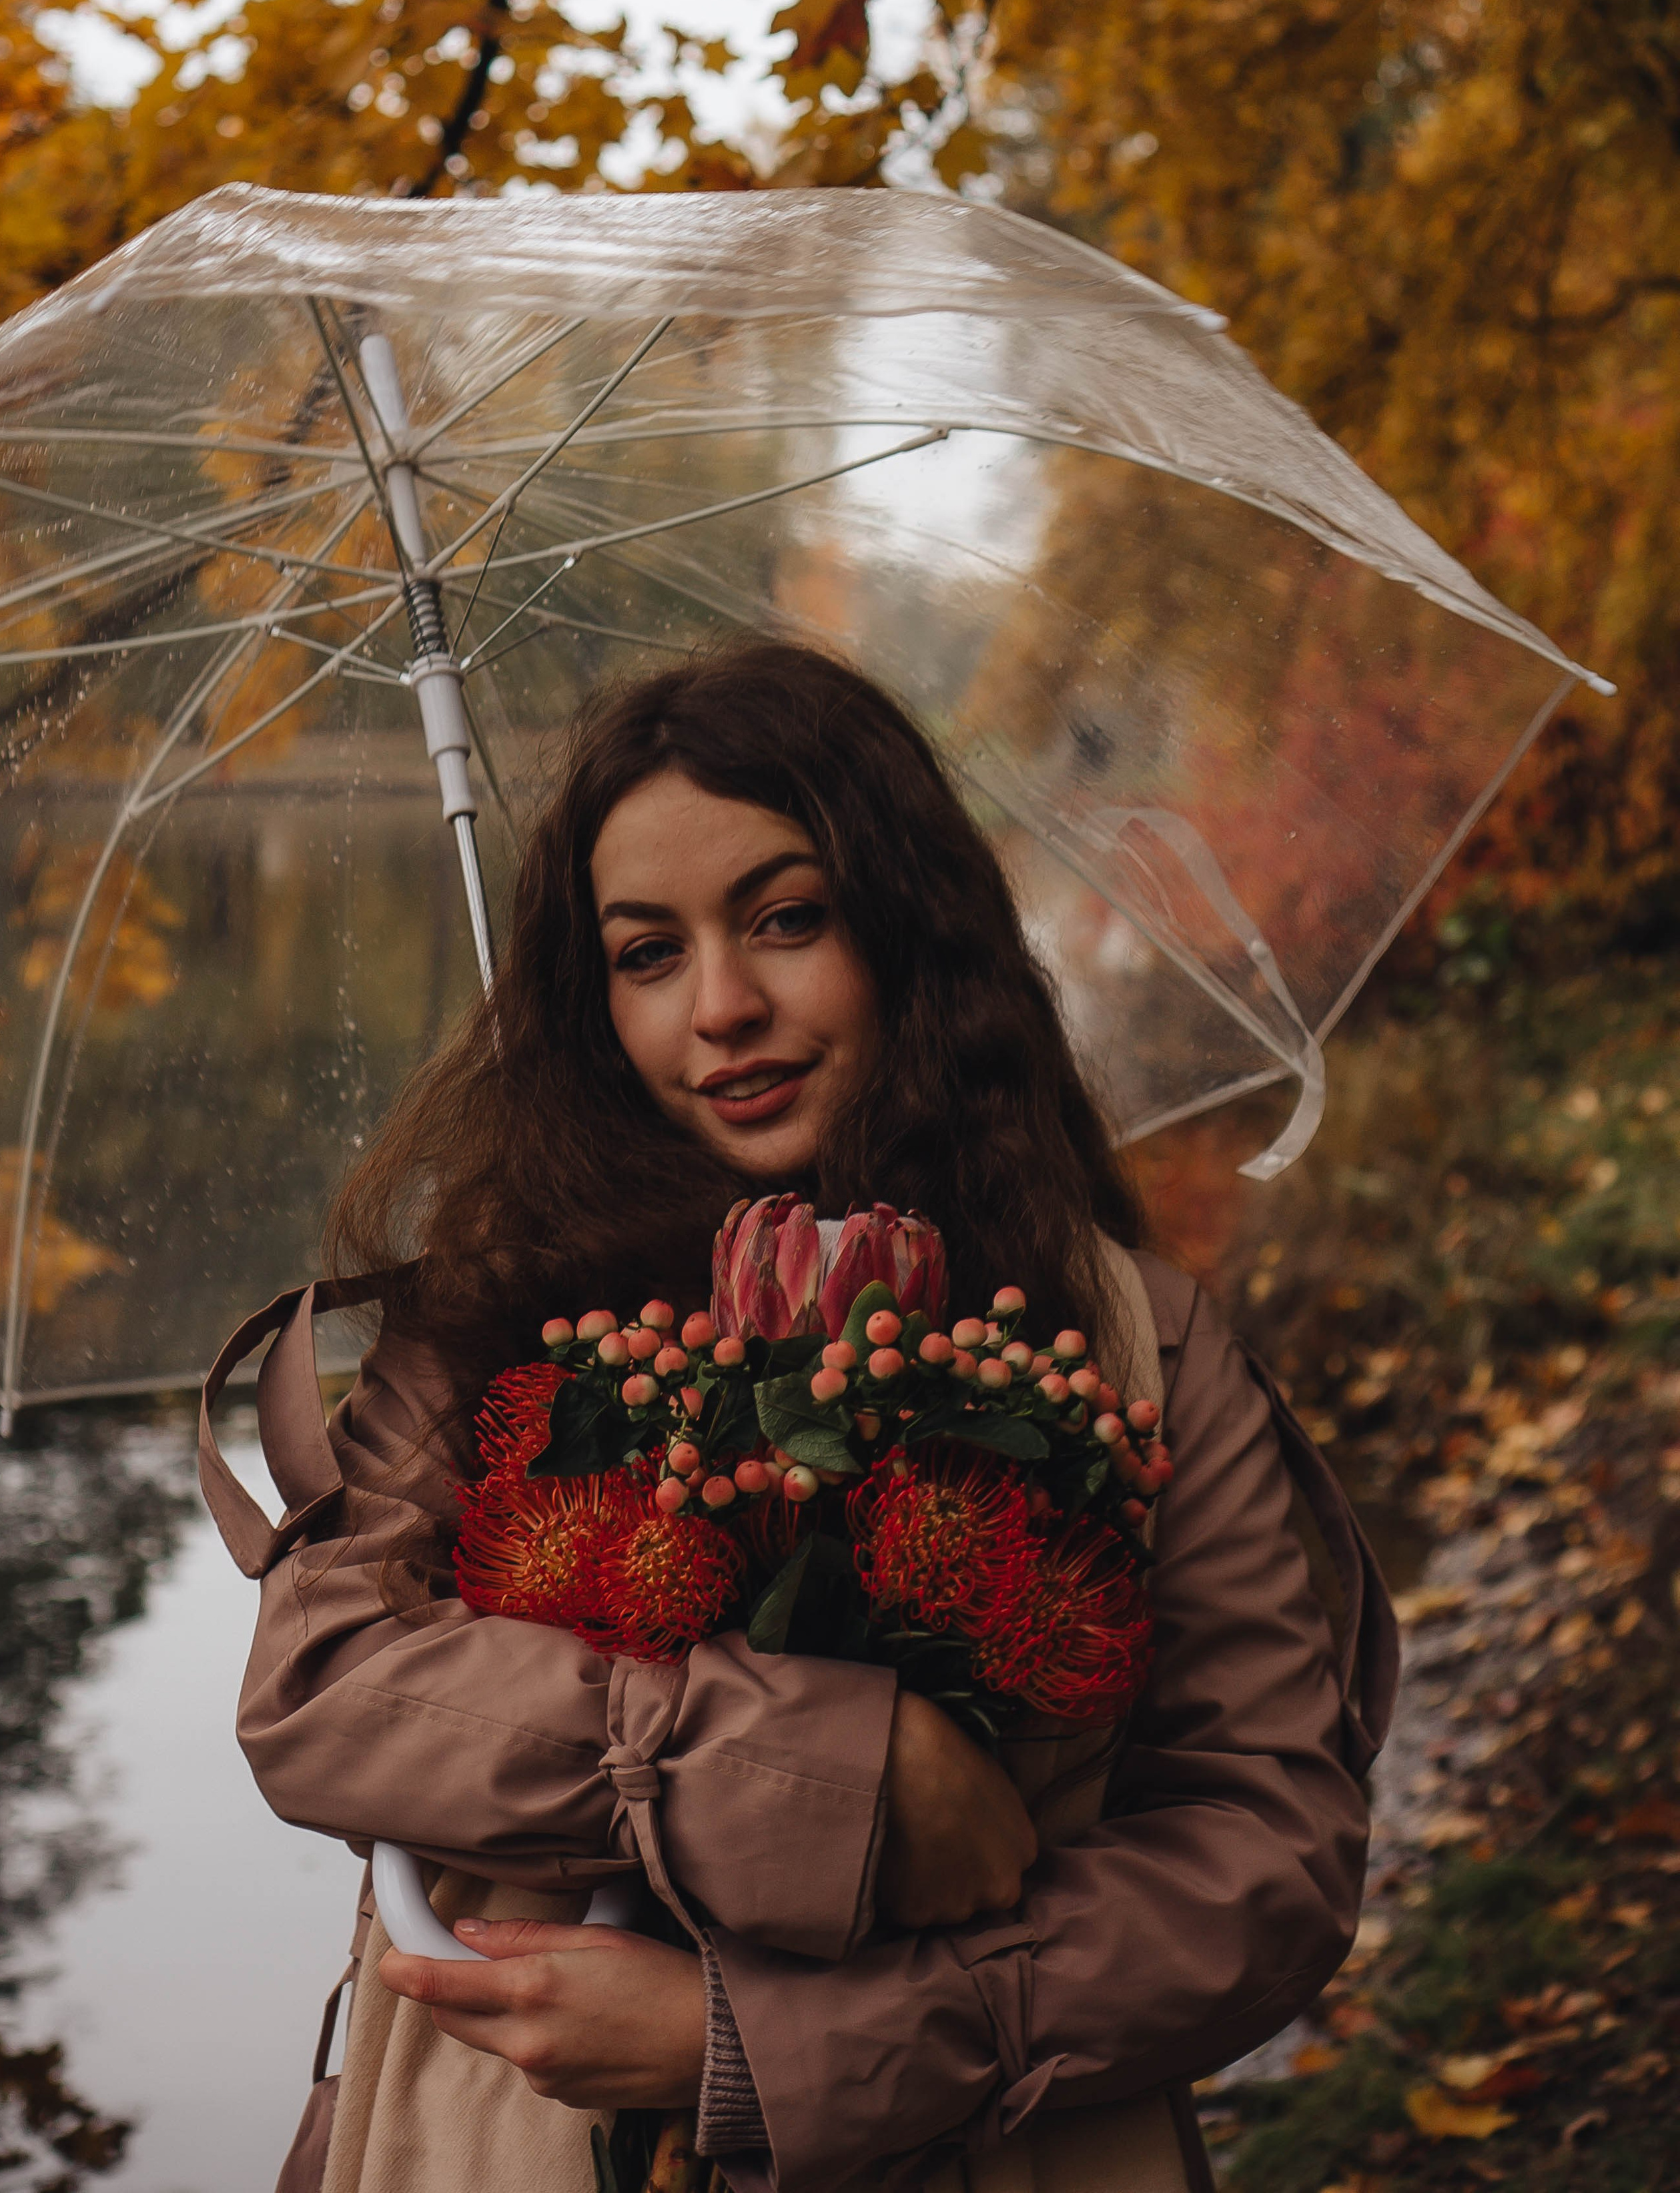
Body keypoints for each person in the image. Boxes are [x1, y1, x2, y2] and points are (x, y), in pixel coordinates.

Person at [199, 638, 1396, 2193]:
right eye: (645, 953)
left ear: (905, 931)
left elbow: (1262, 1865)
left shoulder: (1131, 1343)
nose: (720, 1008)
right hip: (522, 2141)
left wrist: (759, 2046)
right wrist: (819, 1764)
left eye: (784, 921)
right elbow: (326, 1689)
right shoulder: (489, 1317)